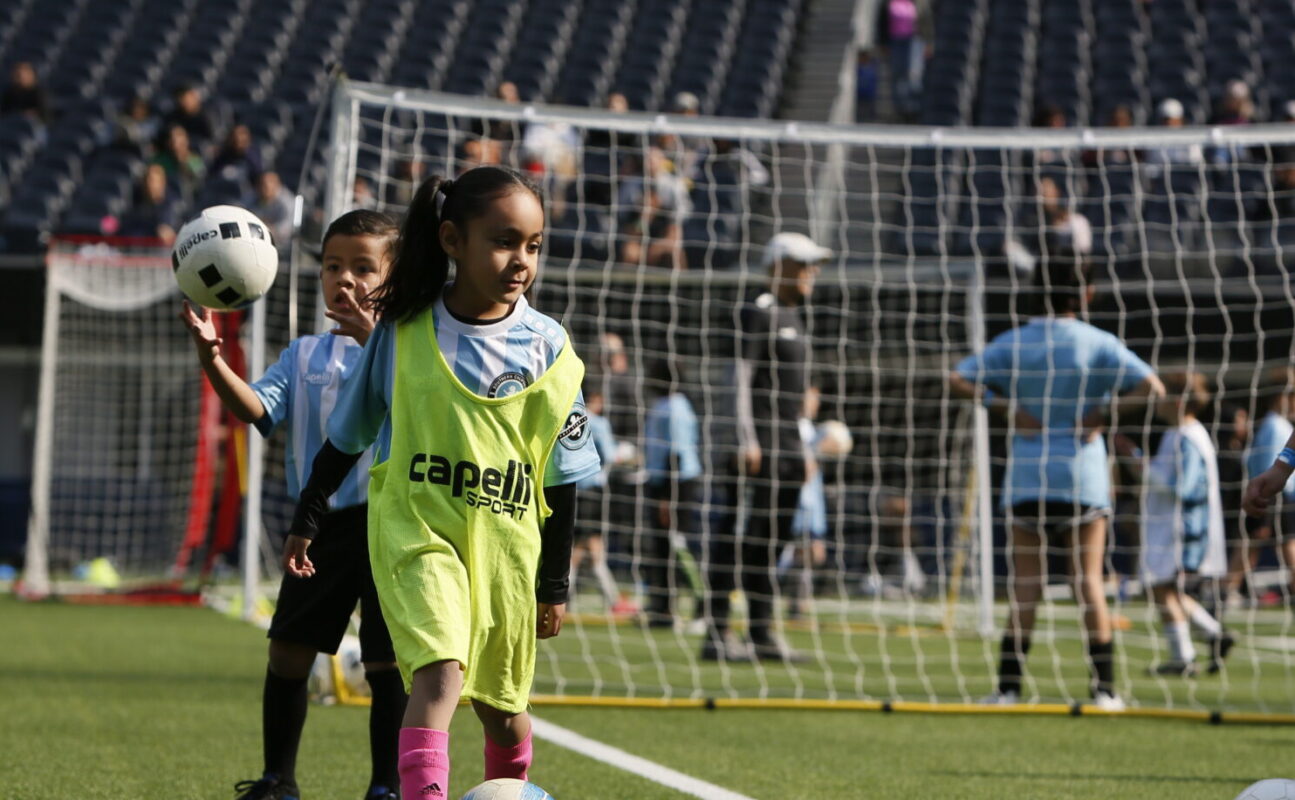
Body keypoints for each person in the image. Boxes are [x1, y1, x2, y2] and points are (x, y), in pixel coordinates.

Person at [282, 165, 600, 800]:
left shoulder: (550, 349)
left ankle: (510, 784)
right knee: (438, 675)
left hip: (507, 548)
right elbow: (347, 436)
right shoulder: (402, 331)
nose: (521, 261)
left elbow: (563, 478)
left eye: (533, 246)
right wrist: (307, 517)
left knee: (502, 710)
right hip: (417, 531)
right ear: (452, 240)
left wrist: (554, 582)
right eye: (505, 241)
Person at [179, 210, 406, 800]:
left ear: (394, 276)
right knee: (287, 654)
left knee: (388, 666)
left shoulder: (408, 349)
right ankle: (278, 779)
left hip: (392, 526)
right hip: (319, 528)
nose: (345, 280)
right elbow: (257, 410)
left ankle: (386, 785)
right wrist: (213, 358)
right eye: (334, 267)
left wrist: (370, 334)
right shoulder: (303, 354)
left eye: (363, 268)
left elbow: (416, 407)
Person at [949, 248, 1164, 711]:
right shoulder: (1097, 340)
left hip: (1028, 475)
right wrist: (1102, 413)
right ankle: (1104, 690)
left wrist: (1005, 407)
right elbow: (1153, 386)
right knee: (1087, 580)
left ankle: (1007, 689)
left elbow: (958, 379)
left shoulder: (1016, 341)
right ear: (1087, 292)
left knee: (1026, 584)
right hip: (1081, 474)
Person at [702, 232, 830, 662]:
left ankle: (762, 632)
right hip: (758, 450)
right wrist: (744, 439)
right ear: (777, 266)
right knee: (739, 537)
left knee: (772, 542)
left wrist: (806, 449)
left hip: (790, 451)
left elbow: (795, 400)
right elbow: (739, 377)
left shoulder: (797, 318)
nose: (811, 272)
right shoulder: (758, 313)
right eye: (803, 263)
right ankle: (717, 632)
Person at [1113, 372, 1232, 675]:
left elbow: (1184, 488)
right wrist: (1137, 461)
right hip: (1169, 526)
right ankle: (1213, 634)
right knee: (1165, 588)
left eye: (1162, 395)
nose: (1156, 402)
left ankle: (1184, 657)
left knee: (1160, 586)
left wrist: (1141, 465)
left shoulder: (1189, 438)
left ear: (1177, 400)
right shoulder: (1175, 434)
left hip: (1181, 529)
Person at [641, 357, 704, 627]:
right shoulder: (665, 405)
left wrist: (668, 498)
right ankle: (663, 609)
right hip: (662, 482)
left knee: (679, 546)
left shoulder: (675, 408)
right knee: (663, 548)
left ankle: (703, 606)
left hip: (676, 486)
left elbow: (675, 455)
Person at [569, 384, 635, 615]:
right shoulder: (599, 423)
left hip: (573, 489)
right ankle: (611, 600)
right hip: (594, 492)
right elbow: (610, 455)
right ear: (596, 398)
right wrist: (627, 453)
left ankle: (610, 598)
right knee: (584, 550)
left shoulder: (570, 416)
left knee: (584, 548)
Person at [1240, 367, 1295, 602]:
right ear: (1281, 397)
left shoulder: (1276, 424)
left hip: (1278, 498)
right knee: (1260, 547)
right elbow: (1271, 468)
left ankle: (1225, 589)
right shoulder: (1275, 426)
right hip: (1275, 498)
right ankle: (1224, 590)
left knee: (1259, 547)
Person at [118, 164, 180, 243]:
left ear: (163, 183)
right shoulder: (137, 205)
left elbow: (170, 231)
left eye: (155, 181)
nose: (152, 185)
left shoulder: (173, 206)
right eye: (149, 180)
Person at [152, 123, 206, 200]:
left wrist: (183, 163)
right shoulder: (161, 161)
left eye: (179, 140)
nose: (176, 144)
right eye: (172, 140)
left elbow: (199, 182)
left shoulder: (195, 161)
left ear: (186, 140)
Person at [245, 171, 296, 247]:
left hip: (283, 248)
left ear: (277, 184)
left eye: (269, 184)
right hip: (256, 243)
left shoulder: (288, 203)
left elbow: (286, 230)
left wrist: (265, 229)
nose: (265, 188)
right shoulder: (252, 199)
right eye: (261, 184)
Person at [212, 123, 264, 193]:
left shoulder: (252, 156)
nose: (238, 140)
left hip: (245, 195)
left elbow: (257, 177)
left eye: (242, 137)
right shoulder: (224, 155)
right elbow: (213, 174)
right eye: (235, 137)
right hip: (223, 192)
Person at [163, 83, 215, 152]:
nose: (182, 101)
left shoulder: (207, 116)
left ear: (193, 96)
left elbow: (213, 141)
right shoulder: (174, 116)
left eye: (185, 97)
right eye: (180, 98)